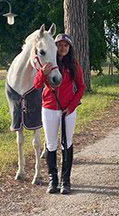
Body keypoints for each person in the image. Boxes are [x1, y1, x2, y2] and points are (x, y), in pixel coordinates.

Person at [34, 33, 85, 194]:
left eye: (66, 45)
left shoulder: (74, 65)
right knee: (51, 144)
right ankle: (53, 180)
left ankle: (66, 180)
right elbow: (37, 85)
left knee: (67, 143)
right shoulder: (48, 63)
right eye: (59, 45)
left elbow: (81, 87)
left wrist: (72, 106)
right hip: (49, 108)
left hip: (68, 110)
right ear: (55, 47)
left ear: (70, 48)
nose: (62, 48)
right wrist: (43, 72)